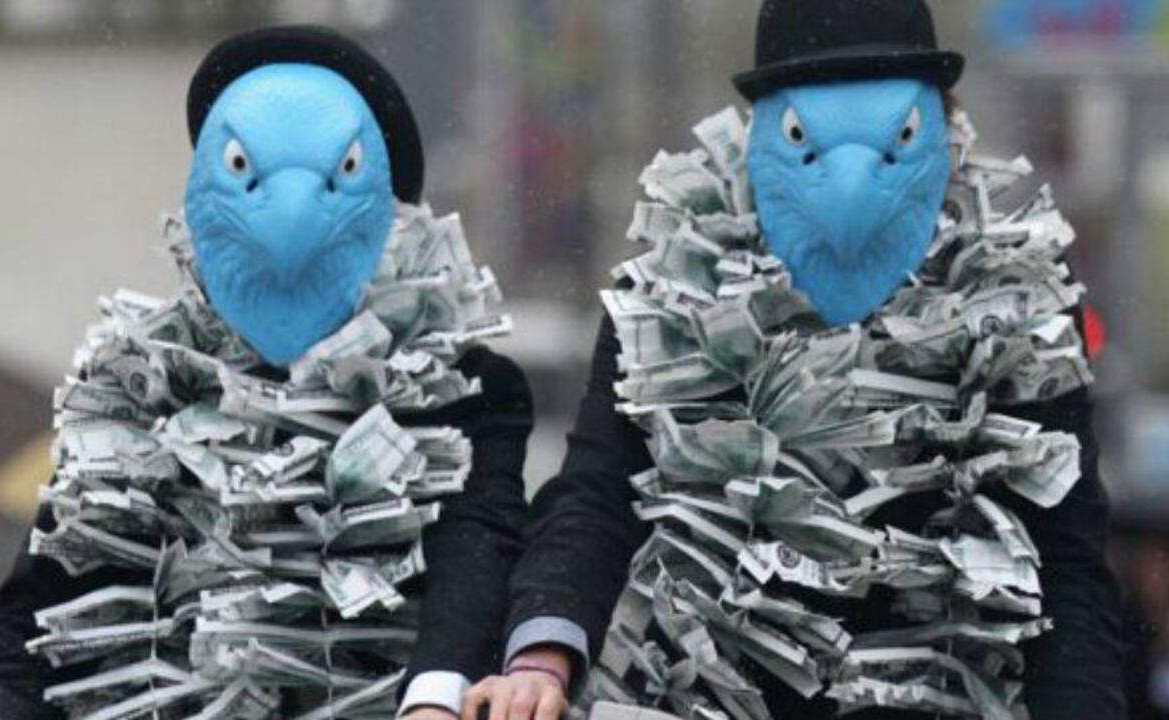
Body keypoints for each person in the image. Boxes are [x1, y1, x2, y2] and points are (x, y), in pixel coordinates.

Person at [467, 1, 1125, 719]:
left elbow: (1062, 566)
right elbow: (598, 492)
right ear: (757, 133)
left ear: (941, 125)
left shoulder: (1019, 303)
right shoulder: (671, 290)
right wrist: (542, 658)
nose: (848, 188)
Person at [0, 26, 530, 720]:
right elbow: (38, 608)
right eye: (241, 166)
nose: (288, 213)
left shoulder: (463, 389)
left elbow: (478, 555)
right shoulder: (138, 395)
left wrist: (435, 698)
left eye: (339, 173)